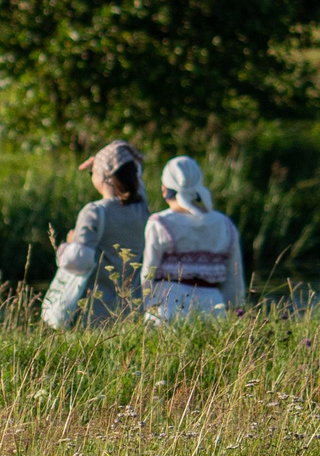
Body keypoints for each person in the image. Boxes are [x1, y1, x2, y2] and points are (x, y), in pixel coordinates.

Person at [43, 141, 151, 329]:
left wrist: (68, 245)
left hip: (94, 313)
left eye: (92, 172)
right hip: (131, 309)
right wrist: (105, 160)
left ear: (105, 176)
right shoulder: (141, 209)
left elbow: (79, 260)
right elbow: (135, 176)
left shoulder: (94, 211)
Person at [141, 156, 246, 323]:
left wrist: (142, 305)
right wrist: (236, 307)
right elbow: (235, 276)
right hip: (212, 306)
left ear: (165, 188)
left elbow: (148, 271)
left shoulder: (160, 222)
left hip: (167, 305)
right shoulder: (224, 223)